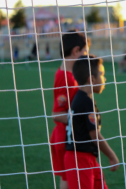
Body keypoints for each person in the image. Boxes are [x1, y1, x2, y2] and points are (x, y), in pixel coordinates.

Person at [64, 55, 119, 189]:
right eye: (102, 74)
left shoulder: (82, 99)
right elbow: (95, 136)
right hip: (79, 159)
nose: (104, 79)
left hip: (88, 158)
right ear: (92, 79)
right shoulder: (85, 102)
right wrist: (112, 156)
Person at [50, 30, 89, 189]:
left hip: (68, 136)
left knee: (69, 181)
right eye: (84, 52)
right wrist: (82, 121)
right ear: (76, 51)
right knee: (70, 182)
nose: (85, 55)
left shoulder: (67, 74)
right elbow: (57, 114)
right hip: (64, 138)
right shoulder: (66, 78)